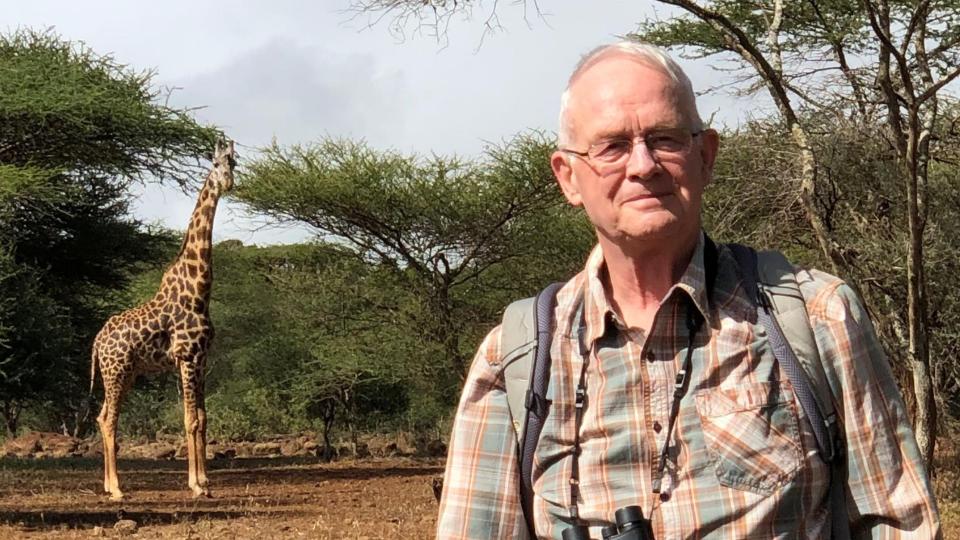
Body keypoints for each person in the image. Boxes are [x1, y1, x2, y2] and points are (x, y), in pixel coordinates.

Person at [436, 41, 941, 539]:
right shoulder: (515, 358)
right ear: (568, 177)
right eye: (612, 146)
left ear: (706, 155)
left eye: (665, 139)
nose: (643, 165)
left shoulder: (816, 317)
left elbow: (901, 525)